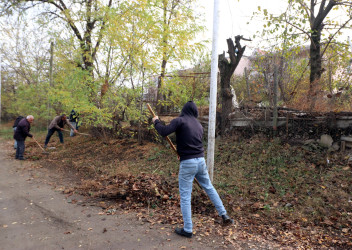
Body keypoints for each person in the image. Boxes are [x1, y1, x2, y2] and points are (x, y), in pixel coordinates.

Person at [152, 101, 234, 238]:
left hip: (188, 163)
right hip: (200, 161)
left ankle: (188, 229)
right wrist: (182, 154)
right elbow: (191, 142)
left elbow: (163, 131)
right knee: (209, 187)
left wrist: (156, 121)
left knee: (185, 196)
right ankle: (224, 214)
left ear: (184, 110)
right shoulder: (198, 125)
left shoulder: (180, 120)